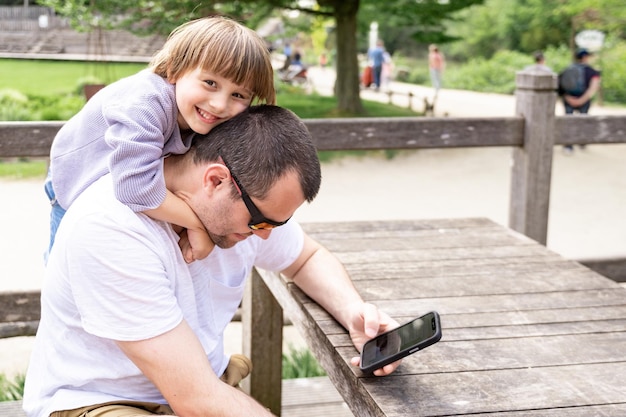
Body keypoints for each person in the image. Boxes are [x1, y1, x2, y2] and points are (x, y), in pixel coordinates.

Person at [23, 105, 401, 417]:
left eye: (278, 223)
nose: (268, 234)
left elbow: (306, 257)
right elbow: (197, 400)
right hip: (99, 401)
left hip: (193, 390)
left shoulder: (243, 210)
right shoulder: (112, 226)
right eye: (263, 221)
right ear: (216, 180)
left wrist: (353, 311)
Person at [44, 16, 275, 264]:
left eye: (238, 94)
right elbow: (135, 187)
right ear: (176, 69)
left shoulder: (203, 116)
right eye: (210, 83)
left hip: (115, 184)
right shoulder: (145, 104)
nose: (219, 104)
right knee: (65, 262)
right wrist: (197, 225)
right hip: (73, 179)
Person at [559, 48, 601, 154]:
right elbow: (593, 87)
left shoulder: (567, 69)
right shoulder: (592, 71)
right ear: (585, 57)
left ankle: (568, 145)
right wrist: (582, 100)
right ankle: (582, 141)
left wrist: (568, 98)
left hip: (568, 99)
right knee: (583, 120)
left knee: (569, 121)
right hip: (584, 100)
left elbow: (559, 86)